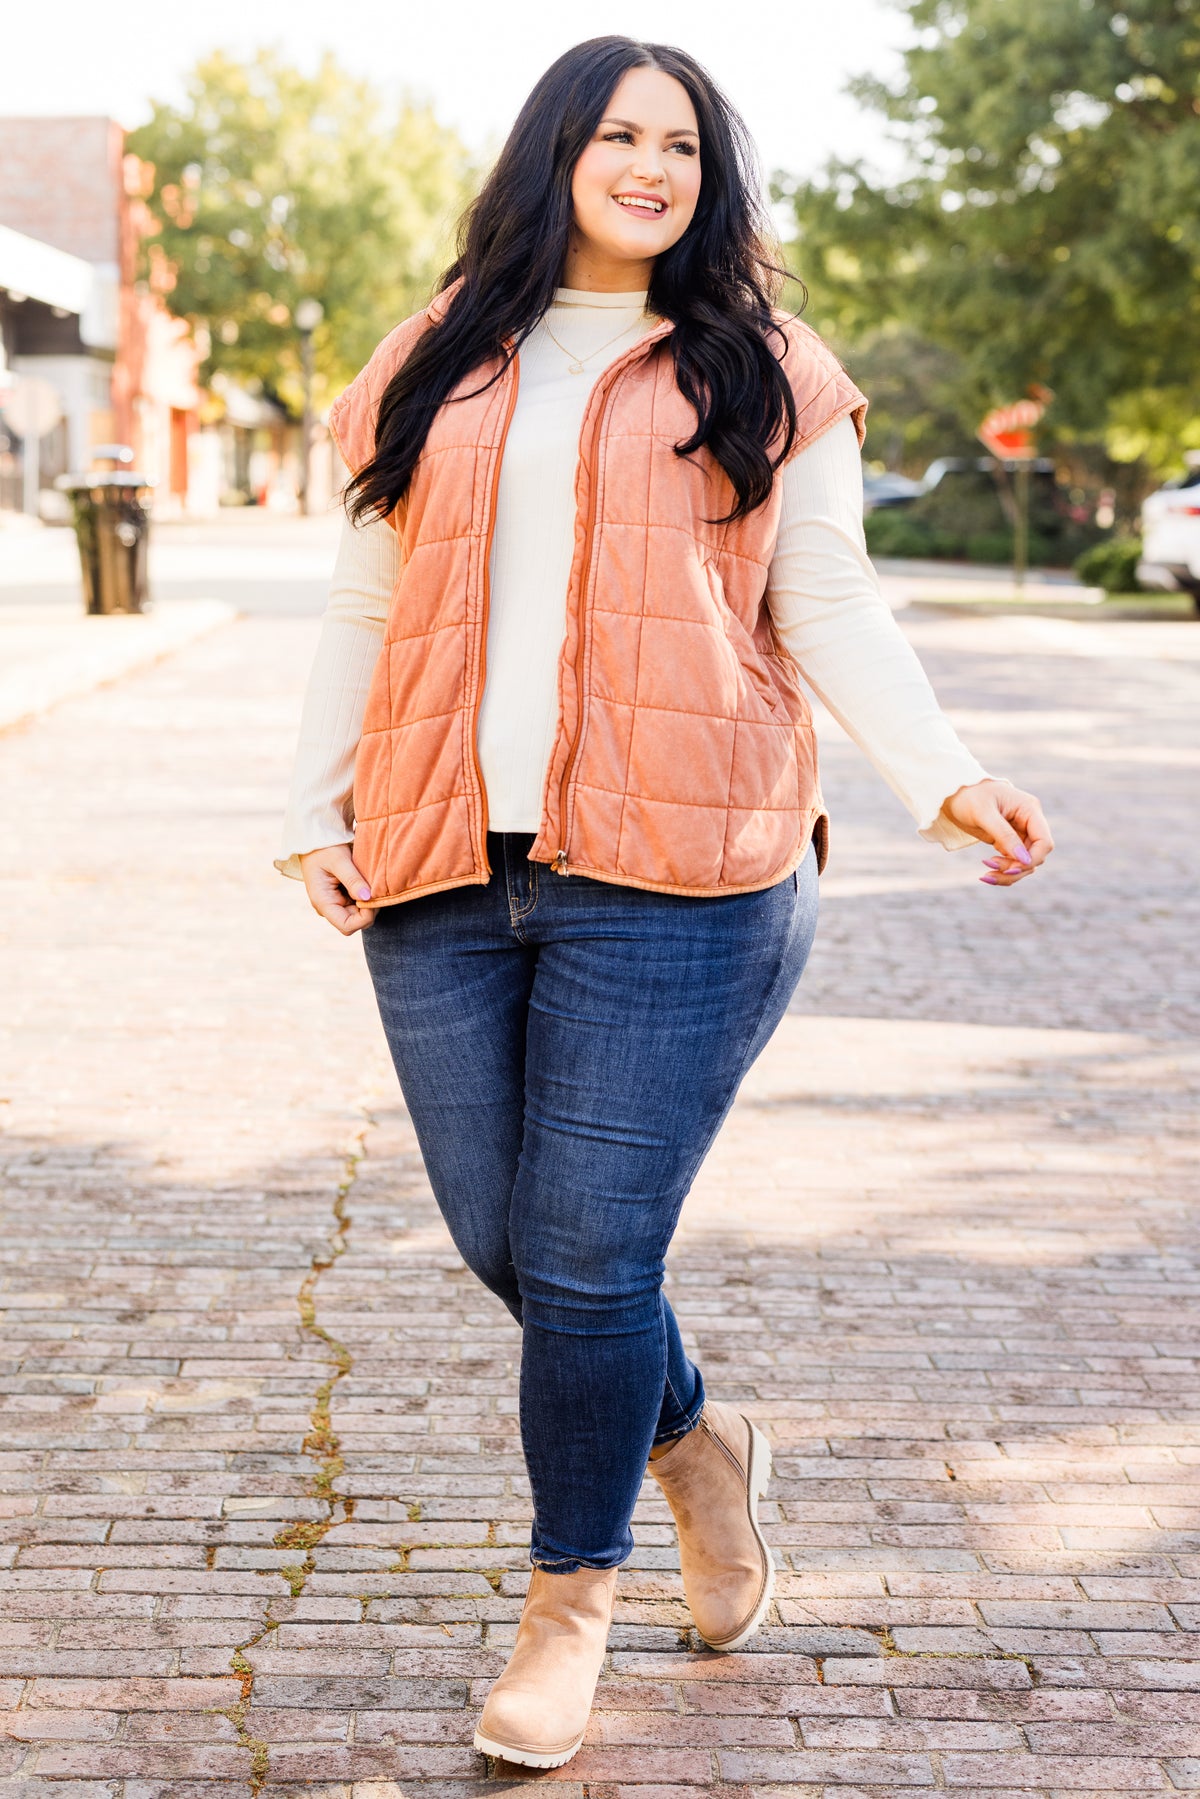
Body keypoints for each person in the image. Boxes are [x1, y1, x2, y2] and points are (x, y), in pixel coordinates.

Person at [276, 36, 1053, 1771]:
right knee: (510, 1248)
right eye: (618, 134)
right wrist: (301, 806)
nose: (650, 165)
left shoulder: (767, 366)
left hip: (691, 871)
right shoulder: (437, 357)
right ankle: (698, 1445)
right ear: (554, 151)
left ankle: (568, 1612)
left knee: (586, 1257)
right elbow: (363, 594)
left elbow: (829, 597)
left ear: (713, 178)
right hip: (439, 860)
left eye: (682, 145)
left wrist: (944, 776)